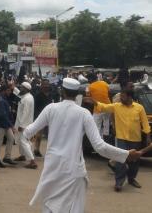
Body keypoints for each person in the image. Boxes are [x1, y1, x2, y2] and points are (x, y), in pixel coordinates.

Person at [23, 78, 141, 213]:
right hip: (73, 170)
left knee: (50, 206)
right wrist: (125, 154)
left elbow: (28, 131)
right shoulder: (83, 114)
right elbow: (99, 146)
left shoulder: (50, 109)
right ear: (78, 94)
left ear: (62, 91)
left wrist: (24, 133)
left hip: (52, 168)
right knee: (73, 208)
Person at [89, 88, 151, 191]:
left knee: (134, 161)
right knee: (120, 160)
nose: (121, 98)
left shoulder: (139, 108)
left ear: (129, 97)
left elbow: (145, 122)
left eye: (123, 96)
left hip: (135, 138)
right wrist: (93, 101)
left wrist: (148, 136)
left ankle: (131, 179)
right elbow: (104, 107)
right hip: (121, 138)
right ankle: (119, 182)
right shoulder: (117, 106)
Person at [13, 82, 37, 169]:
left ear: (26, 89)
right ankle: (23, 155)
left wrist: (22, 125)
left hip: (24, 124)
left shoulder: (28, 99)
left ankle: (32, 161)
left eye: (21, 88)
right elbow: (19, 95)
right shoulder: (26, 96)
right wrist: (14, 88)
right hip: (22, 123)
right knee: (20, 140)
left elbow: (26, 113)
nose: (20, 89)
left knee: (24, 142)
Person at [33, 79, 58, 157]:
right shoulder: (38, 95)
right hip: (41, 118)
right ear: (41, 86)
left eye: (47, 85)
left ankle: (51, 151)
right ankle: (36, 150)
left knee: (52, 136)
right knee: (39, 136)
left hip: (52, 118)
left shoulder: (53, 95)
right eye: (44, 85)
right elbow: (35, 108)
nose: (46, 86)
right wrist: (37, 118)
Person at [0, 85, 16, 166]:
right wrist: (11, 125)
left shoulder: (4, 98)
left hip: (6, 124)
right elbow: (3, 114)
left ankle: (7, 157)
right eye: (8, 90)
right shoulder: (0, 99)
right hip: (0, 124)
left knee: (11, 138)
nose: (10, 92)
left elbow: (7, 113)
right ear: (4, 90)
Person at [87, 73, 111, 137]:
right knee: (106, 122)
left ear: (90, 79)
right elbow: (109, 92)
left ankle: (97, 140)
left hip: (98, 108)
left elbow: (89, 97)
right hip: (108, 106)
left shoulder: (90, 86)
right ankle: (106, 137)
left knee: (97, 126)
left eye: (88, 79)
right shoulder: (104, 83)